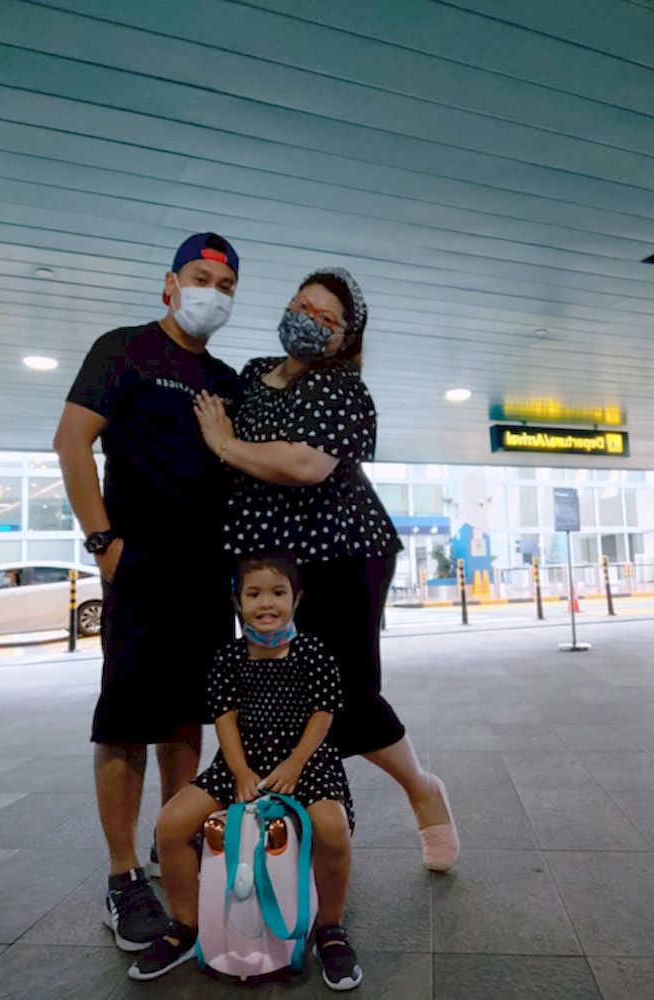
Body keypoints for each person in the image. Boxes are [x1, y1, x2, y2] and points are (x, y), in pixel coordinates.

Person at [194, 267, 459, 872]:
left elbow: (305, 464)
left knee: (343, 692)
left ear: (344, 340)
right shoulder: (252, 373)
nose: (308, 321)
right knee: (278, 691)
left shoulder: (342, 388)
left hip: (342, 553)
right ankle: (302, 826)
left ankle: (422, 788)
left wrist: (225, 445)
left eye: (326, 320)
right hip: (268, 561)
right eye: (301, 305)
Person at [53, 232, 242, 953]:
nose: (212, 295)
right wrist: (105, 544)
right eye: (201, 279)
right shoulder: (124, 348)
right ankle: (123, 874)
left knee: (188, 719)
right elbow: (72, 442)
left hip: (204, 577)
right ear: (170, 284)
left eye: (225, 286)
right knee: (127, 722)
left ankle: (175, 842)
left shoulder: (223, 378)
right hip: (138, 568)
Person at [129, 552, 360, 991]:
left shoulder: (313, 651)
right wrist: (239, 772)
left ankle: (330, 929)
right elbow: (225, 719)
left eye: (278, 592)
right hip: (241, 761)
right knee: (171, 825)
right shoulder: (228, 657)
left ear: (297, 598)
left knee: (332, 829)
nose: (266, 603)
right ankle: (185, 924)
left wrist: (294, 764)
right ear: (237, 602)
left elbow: (323, 713)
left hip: (306, 762)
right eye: (254, 593)